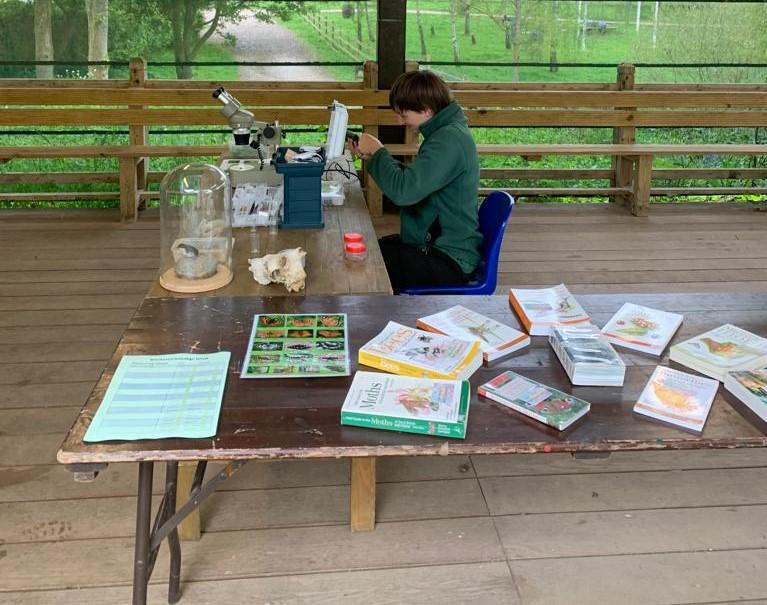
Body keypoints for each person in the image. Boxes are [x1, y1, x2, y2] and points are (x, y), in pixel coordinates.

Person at [349, 70, 482, 293]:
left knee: (362, 263)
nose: (399, 121)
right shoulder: (445, 134)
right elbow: (415, 182)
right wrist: (374, 158)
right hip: (436, 247)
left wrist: (379, 151)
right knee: (365, 250)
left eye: (404, 114)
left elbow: (404, 192)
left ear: (427, 110)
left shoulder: (448, 141)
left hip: (448, 258)